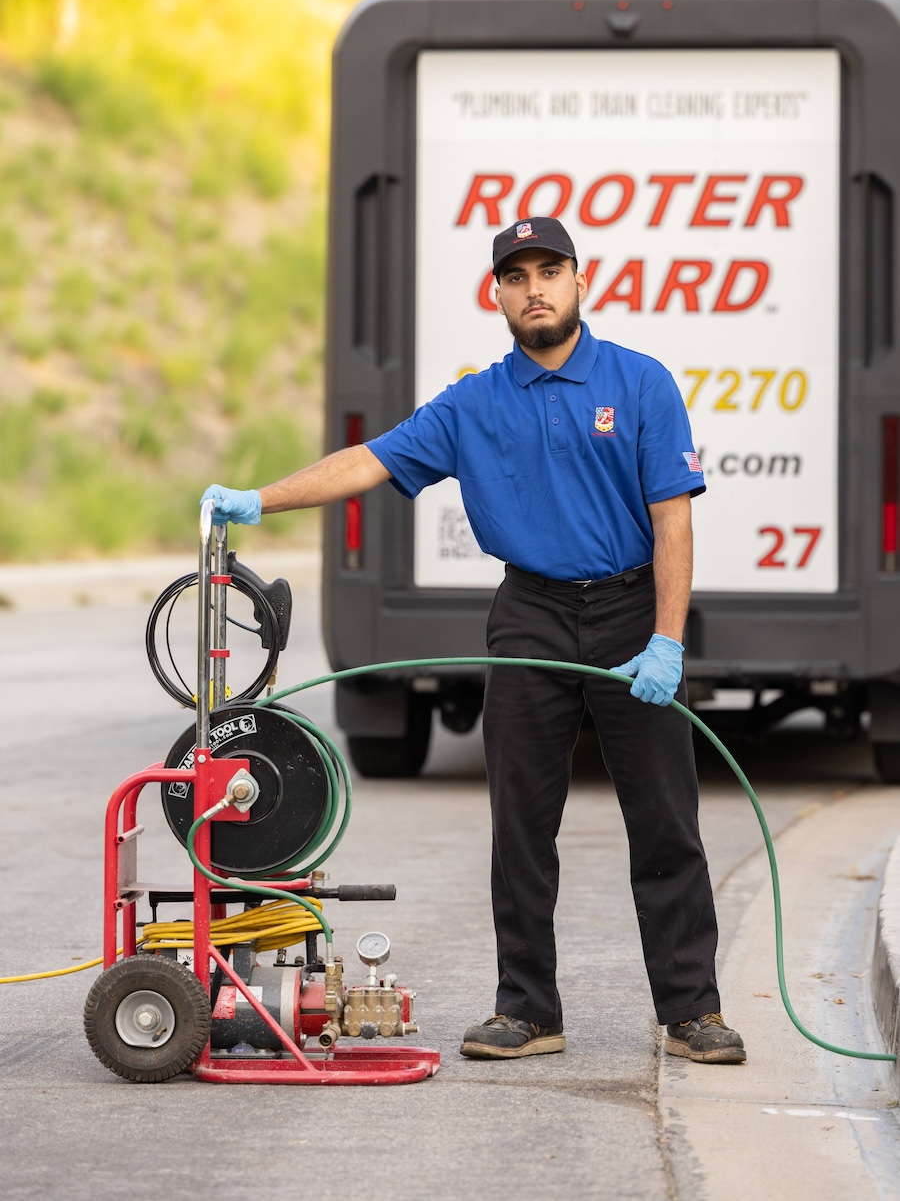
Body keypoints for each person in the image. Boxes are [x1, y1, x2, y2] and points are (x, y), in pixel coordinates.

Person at [202, 216, 745, 1067]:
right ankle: (528, 1010)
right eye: (517, 276)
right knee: (520, 823)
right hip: (529, 612)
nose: (535, 289)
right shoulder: (474, 402)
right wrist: (259, 500)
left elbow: (673, 518)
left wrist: (665, 640)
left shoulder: (640, 384)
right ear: (497, 294)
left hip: (632, 612)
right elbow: (369, 463)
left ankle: (693, 1012)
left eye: (550, 271)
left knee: (666, 821)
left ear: (578, 282)